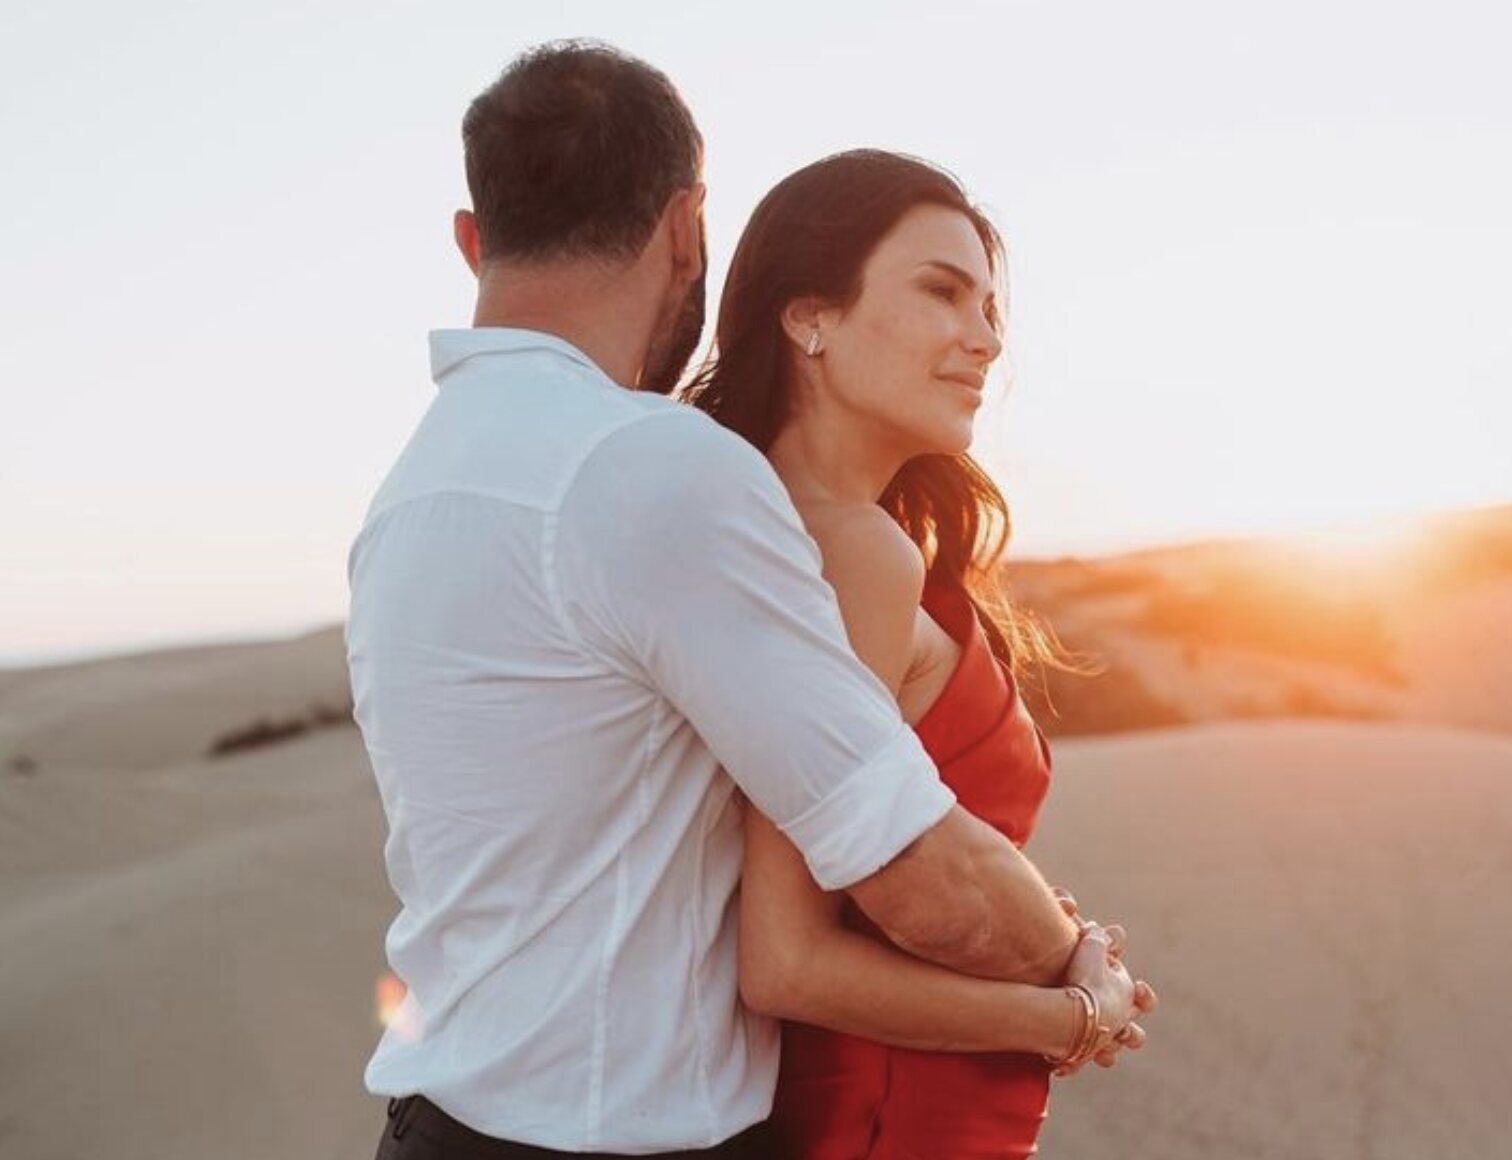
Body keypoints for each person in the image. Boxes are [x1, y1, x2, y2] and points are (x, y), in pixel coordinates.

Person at [348, 41, 1134, 1160]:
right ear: (685, 230)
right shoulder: (644, 467)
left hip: (440, 1127)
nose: (985, 335)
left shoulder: (409, 496)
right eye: (944, 291)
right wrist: (1075, 986)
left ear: (473, 239)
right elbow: (899, 868)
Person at [684, 149, 1157, 1158]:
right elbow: (786, 959)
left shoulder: (785, 526)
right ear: (808, 316)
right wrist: (1071, 1012)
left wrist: (1043, 939)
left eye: (990, 309)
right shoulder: (853, 552)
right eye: (943, 292)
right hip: (891, 1111)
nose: (984, 339)